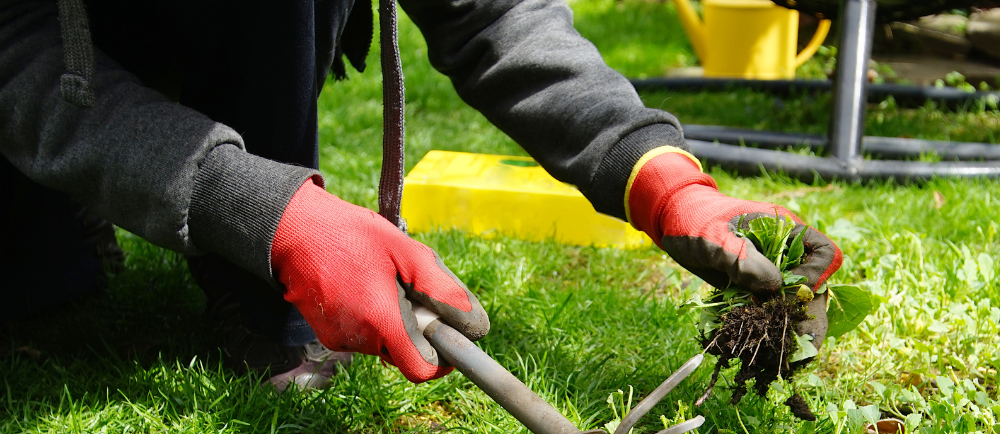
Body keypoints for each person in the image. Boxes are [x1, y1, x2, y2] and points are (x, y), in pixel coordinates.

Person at [0, 0, 841, 390]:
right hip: (60, 52)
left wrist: (657, 177)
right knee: (39, 284)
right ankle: (83, 205)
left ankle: (252, 292)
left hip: (240, 34)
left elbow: (496, 15)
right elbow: (18, 58)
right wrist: (267, 211)